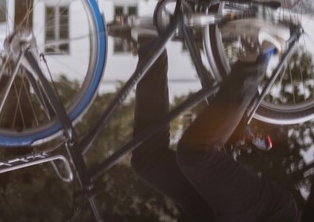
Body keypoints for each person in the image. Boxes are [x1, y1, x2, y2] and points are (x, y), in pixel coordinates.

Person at [129, 24, 301, 221]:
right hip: (263, 215)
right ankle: (263, 54)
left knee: (147, 162)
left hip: (210, 213)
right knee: (195, 155)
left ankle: (152, 48)